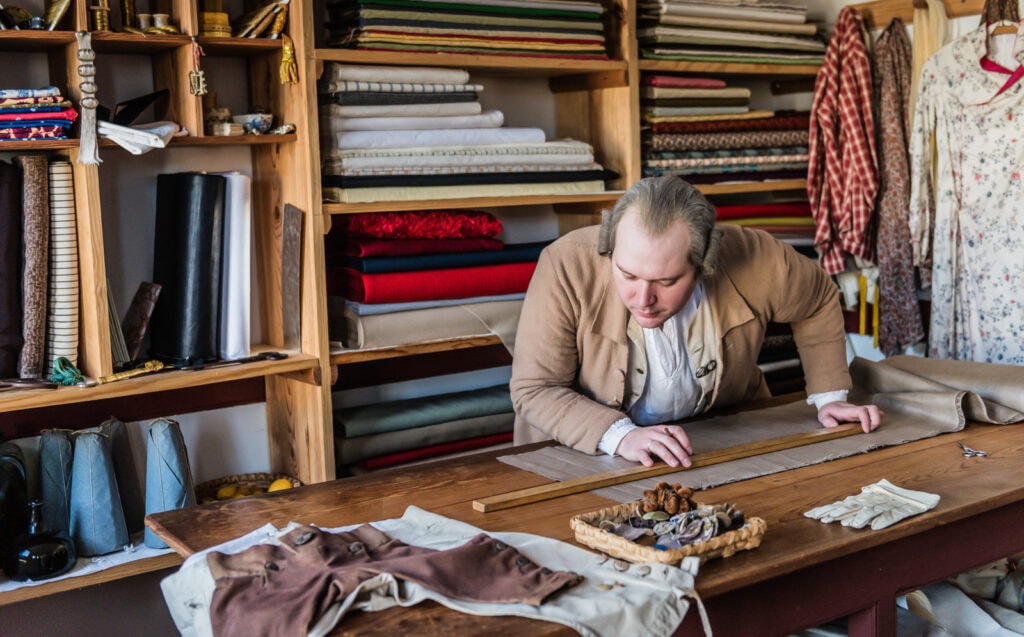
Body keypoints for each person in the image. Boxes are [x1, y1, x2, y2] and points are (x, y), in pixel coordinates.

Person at [510, 176, 882, 469]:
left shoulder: (755, 257)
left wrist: (829, 395)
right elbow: (535, 389)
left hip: (719, 440)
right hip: (579, 453)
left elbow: (817, 297)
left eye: (667, 281)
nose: (643, 299)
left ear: (704, 263)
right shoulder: (565, 266)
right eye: (627, 275)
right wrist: (620, 436)